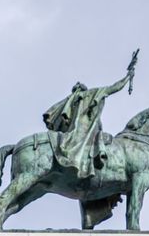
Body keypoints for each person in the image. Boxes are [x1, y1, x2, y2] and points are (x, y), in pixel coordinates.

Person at [42, 50, 138, 181]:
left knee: (101, 137)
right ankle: (97, 160)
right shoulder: (94, 93)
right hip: (87, 132)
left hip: (75, 131)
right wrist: (127, 77)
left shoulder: (71, 100)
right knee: (102, 139)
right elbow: (116, 87)